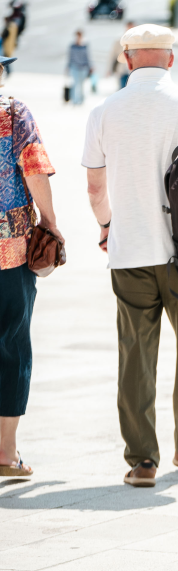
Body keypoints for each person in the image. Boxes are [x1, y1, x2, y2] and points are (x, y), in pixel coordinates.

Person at [82, 24, 178, 488]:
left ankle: (142, 461)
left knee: (135, 354)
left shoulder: (105, 112)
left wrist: (108, 225)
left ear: (127, 60)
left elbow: (94, 187)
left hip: (129, 251)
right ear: (170, 60)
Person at [0, 56, 62, 477]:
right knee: (11, 344)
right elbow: (35, 169)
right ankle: (5, 453)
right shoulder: (12, 113)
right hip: (10, 249)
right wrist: (51, 224)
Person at [66, 31, 93, 105]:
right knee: (75, 83)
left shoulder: (85, 46)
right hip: (74, 67)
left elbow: (88, 57)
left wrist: (90, 66)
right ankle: (74, 100)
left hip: (83, 67)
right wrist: (67, 67)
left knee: (81, 84)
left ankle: (81, 100)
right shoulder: (72, 46)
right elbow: (70, 57)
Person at [110, 22, 136, 89]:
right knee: (122, 90)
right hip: (122, 71)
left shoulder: (137, 42)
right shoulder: (119, 41)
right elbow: (113, 55)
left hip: (134, 72)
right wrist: (109, 69)